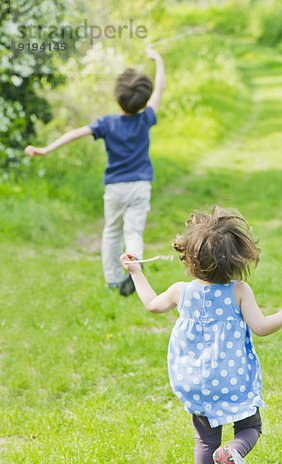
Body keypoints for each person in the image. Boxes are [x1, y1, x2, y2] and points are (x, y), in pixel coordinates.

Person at [120, 207, 282, 464]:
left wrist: (137, 273)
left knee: (205, 440)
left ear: (191, 259)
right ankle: (233, 453)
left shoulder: (182, 291)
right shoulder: (239, 291)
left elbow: (153, 305)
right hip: (232, 380)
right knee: (250, 428)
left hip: (195, 381)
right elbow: (261, 327)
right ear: (237, 260)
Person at [25, 48, 166, 296]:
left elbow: (74, 134)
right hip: (141, 185)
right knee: (133, 231)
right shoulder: (145, 119)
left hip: (116, 187)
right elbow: (160, 89)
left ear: (118, 97)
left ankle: (113, 279)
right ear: (144, 103)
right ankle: (135, 272)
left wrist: (46, 149)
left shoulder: (106, 123)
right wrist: (158, 60)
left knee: (112, 230)